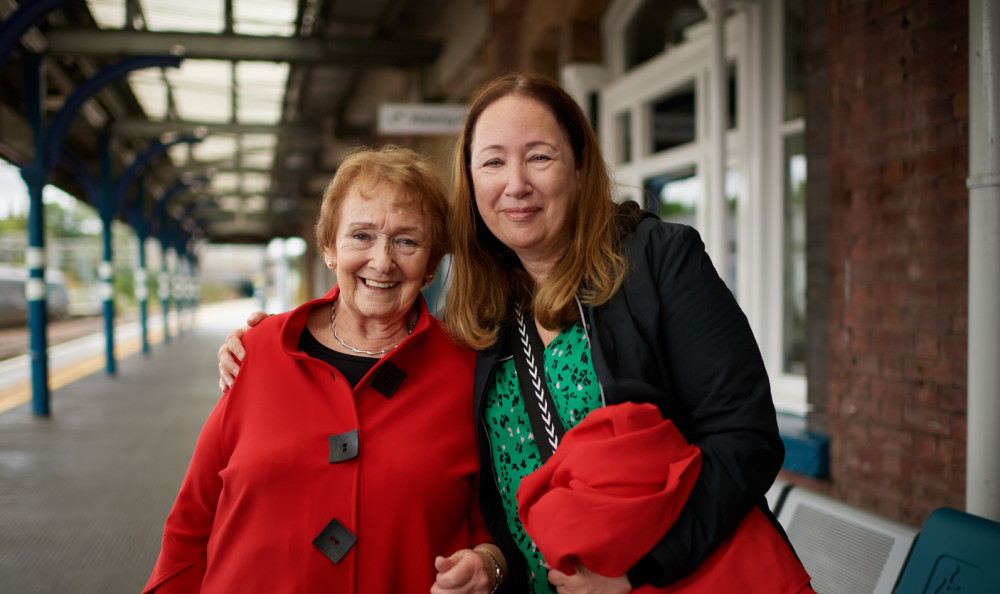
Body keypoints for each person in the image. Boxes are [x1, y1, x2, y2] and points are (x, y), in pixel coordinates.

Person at [219, 75, 806, 593]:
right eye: (493, 162)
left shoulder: (656, 260)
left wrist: (641, 569)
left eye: (540, 157)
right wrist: (276, 341)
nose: (515, 183)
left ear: (579, 166)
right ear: (471, 182)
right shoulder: (483, 314)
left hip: (677, 579)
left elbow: (746, 436)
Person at [147, 145, 506, 594]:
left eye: (407, 241)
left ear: (432, 265)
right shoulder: (259, 350)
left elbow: (496, 529)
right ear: (328, 248)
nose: (382, 260)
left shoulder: (468, 372)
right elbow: (190, 522)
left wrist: (488, 569)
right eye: (361, 236)